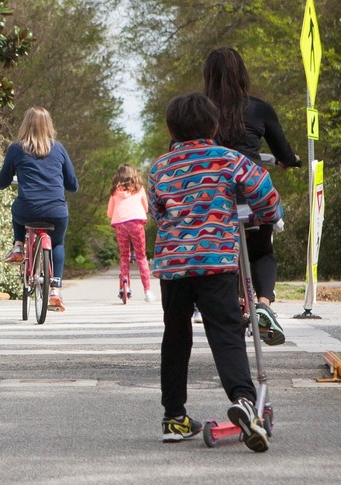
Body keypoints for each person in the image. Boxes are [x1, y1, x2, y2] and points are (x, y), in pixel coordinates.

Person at [149, 92, 282, 452]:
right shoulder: (229, 159)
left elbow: (158, 212)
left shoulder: (160, 167)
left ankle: (174, 417)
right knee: (225, 332)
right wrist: (268, 216)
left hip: (175, 266)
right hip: (215, 262)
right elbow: (265, 193)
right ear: (215, 126)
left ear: (171, 129)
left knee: (175, 336)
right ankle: (243, 399)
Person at [203, 46, 300, 345]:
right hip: (251, 194)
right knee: (261, 251)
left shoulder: (199, 110)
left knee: (217, 250)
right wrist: (290, 161)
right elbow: (284, 152)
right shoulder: (259, 109)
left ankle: (224, 305)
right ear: (242, 75)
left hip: (214, 199)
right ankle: (264, 305)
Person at [0, 107, 79, 310]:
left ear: (25, 125)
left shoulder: (16, 148)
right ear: (49, 125)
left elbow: (3, 182)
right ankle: (55, 289)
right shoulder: (58, 149)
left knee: (16, 207)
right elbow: (73, 185)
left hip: (27, 210)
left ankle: (18, 246)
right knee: (57, 243)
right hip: (56, 211)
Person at [106, 164, 154, 303]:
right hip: (136, 223)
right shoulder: (139, 189)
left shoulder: (115, 191)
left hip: (120, 224)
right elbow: (146, 208)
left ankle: (125, 287)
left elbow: (109, 213)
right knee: (141, 256)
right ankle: (147, 291)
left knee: (124, 255)